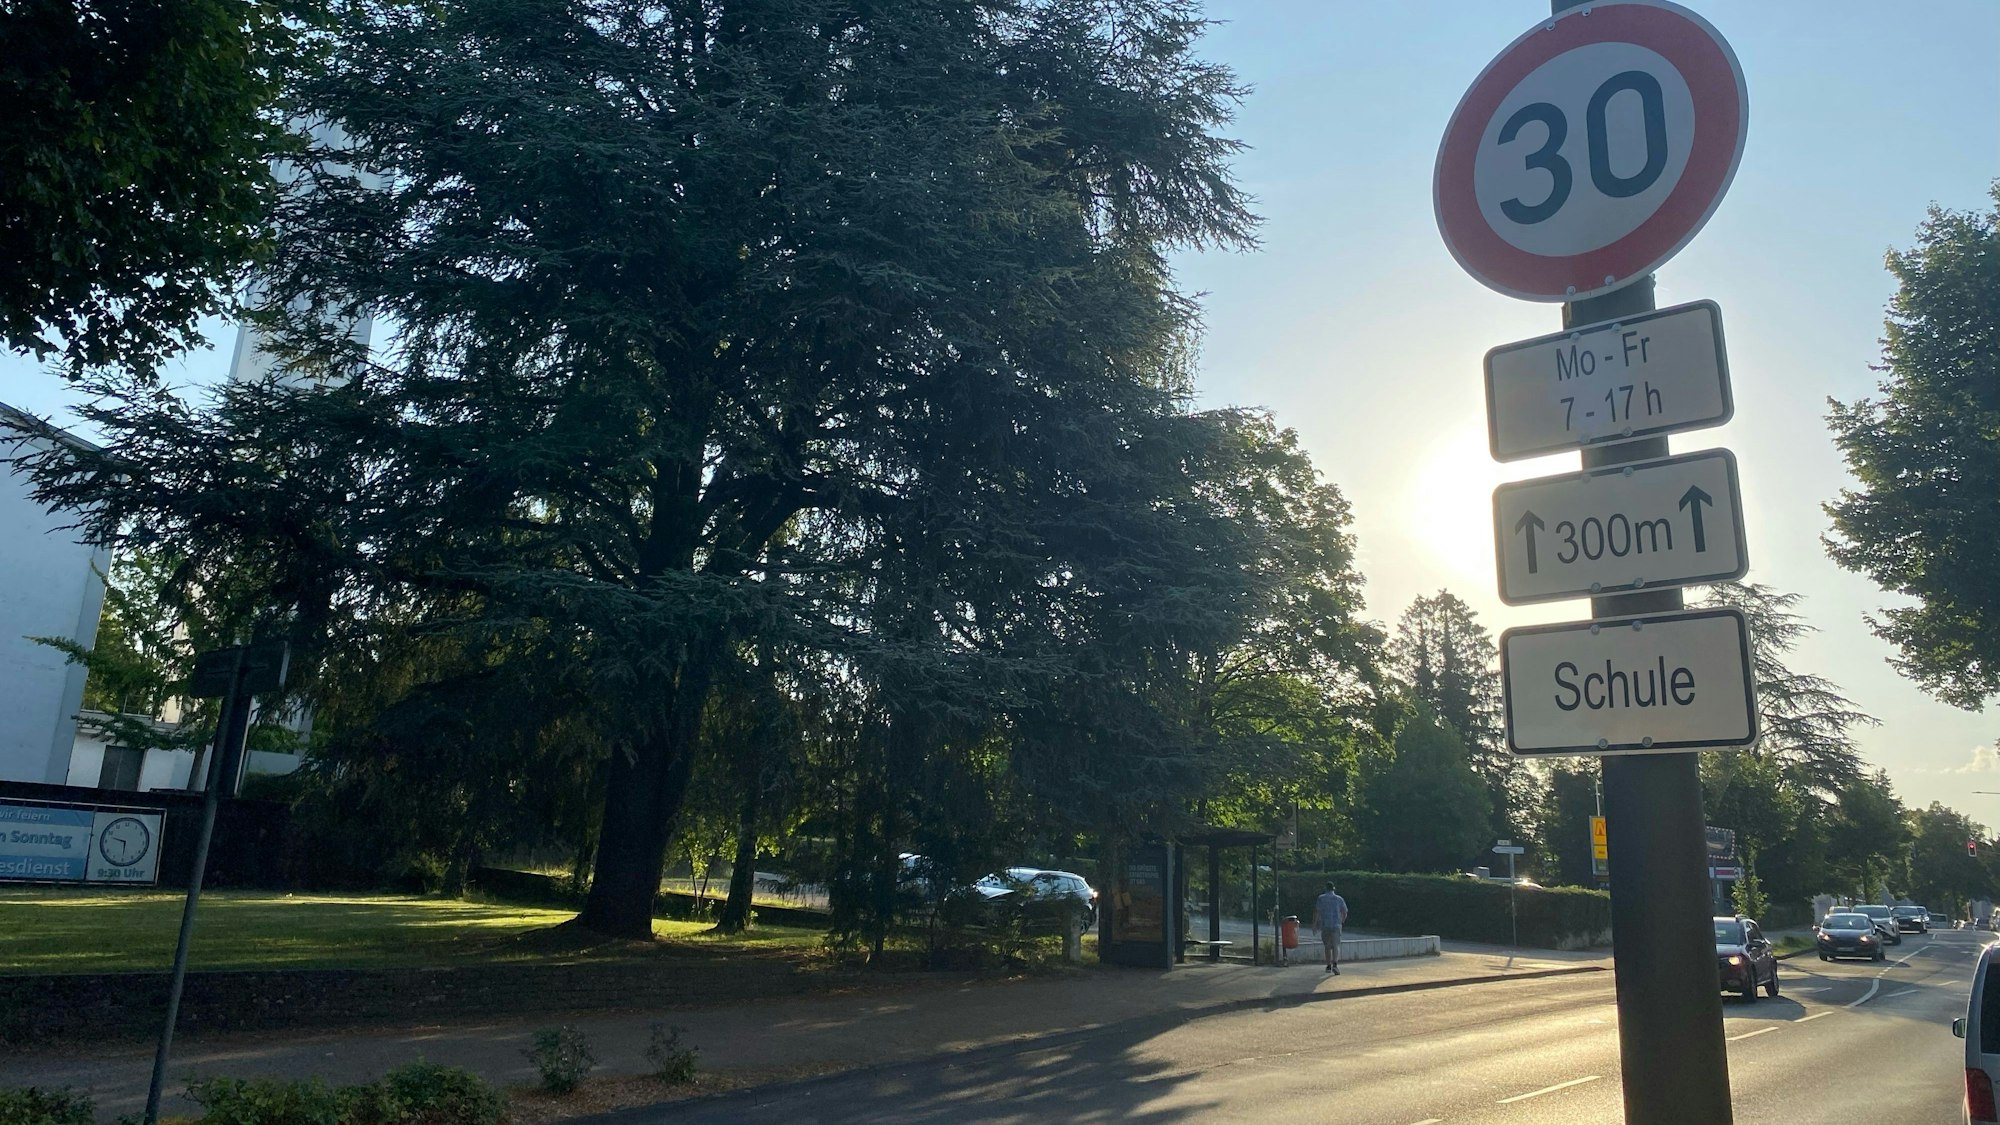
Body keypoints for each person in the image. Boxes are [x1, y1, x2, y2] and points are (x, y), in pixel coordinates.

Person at [1313, 881, 1348, 974]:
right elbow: (1344, 912)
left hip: (1325, 925)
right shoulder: (1339, 899)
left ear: (1325, 888)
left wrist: (1315, 925)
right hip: (1336, 925)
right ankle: (1335, 965)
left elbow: (1317, 912)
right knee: (1336, 945)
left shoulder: (1321, 898)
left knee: (1327, 946)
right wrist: (1342, 921)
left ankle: (1328, 966)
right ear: (1334, 888)